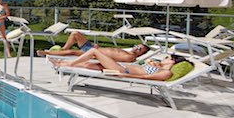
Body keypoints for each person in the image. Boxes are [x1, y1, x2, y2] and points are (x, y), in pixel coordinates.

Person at [50, 50, 189, 81]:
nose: (164, 59)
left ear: (172, 62)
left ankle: (62, 63)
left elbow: (146, 77)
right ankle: (62, 63)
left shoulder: (167, 73)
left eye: (167, 58)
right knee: (87, 64)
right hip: (122, 68)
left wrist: (124, 74)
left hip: (123, 70)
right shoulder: (159, 67)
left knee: (94, 51)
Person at [38, 42, 150, 63]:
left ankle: (46, 53)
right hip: (95, 50)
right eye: (137, 45)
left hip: (94, 54)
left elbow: (111, 59)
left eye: (139, 49)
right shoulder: (127, 52)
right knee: (75, 35)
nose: (136, 48)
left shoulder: (129, 57)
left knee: (72, 52)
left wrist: (97, 55)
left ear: (141, 54)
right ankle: (53, 52)